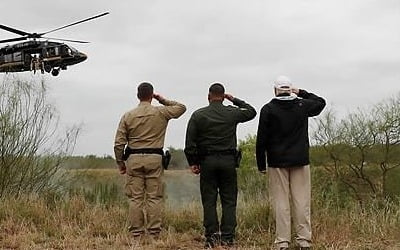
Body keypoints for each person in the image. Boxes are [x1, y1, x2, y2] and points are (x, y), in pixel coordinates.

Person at [256, 76, 326, 250]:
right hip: (300, 160)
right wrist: (301, 92)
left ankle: (282, 241)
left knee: (281, 202)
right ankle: (303, 240)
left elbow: (261, 139)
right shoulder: (302, 106)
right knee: (302, 201)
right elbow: (320, 102)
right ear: (290, 89)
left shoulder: (268, 109)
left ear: (275, 90)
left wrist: (261, 164)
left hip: (276, 161)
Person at [184, 83, 256, 248]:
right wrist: (235, 100)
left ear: (208, 96)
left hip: (207, 162)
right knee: (229, 200)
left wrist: (193, 162)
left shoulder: (198, 115)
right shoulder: (231, 113)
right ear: (223, 96)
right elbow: (251, 112)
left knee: (209, 200)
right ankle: (228, 237)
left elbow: (189, 143)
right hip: (228, 162)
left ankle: (211, 237)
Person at [114, 82, 186, 241]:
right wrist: (162, 99)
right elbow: (181, 107)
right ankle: (154, 233)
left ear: (137, 95)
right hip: (155, 159)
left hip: (133, 159)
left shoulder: (128, 116)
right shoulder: (161, 112)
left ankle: (136, 233)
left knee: (136, 198)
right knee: (154, 197)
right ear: (152, 95)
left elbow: (119, 143)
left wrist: (120, 163)